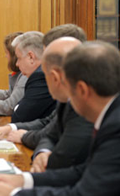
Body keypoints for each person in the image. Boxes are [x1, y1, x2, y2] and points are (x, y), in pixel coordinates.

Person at [0, 41, 120, 196]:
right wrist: (25, 181)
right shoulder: (116, 111)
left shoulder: (119, 125)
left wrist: (14, 195)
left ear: (82, 90)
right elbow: (84, 171)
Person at [0, 24, 87, 147]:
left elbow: (64, 145)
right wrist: (11, 128)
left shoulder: (84, 99)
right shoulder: (68, 96)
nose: (43, 63)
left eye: (47, 56)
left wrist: (25, 137)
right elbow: (49, 127)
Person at [26, 37, 93, 172]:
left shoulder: (86, 105)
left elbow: (64, 161)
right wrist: (42, 153)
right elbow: (50, 136)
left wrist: (26, 180)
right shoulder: (67, 100)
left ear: (55, 77)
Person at [8, 31, 55, 123]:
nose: (17, 64)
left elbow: (19, 117)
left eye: (19, 58)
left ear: (31, 57)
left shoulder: (40, 77)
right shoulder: (40, 74)